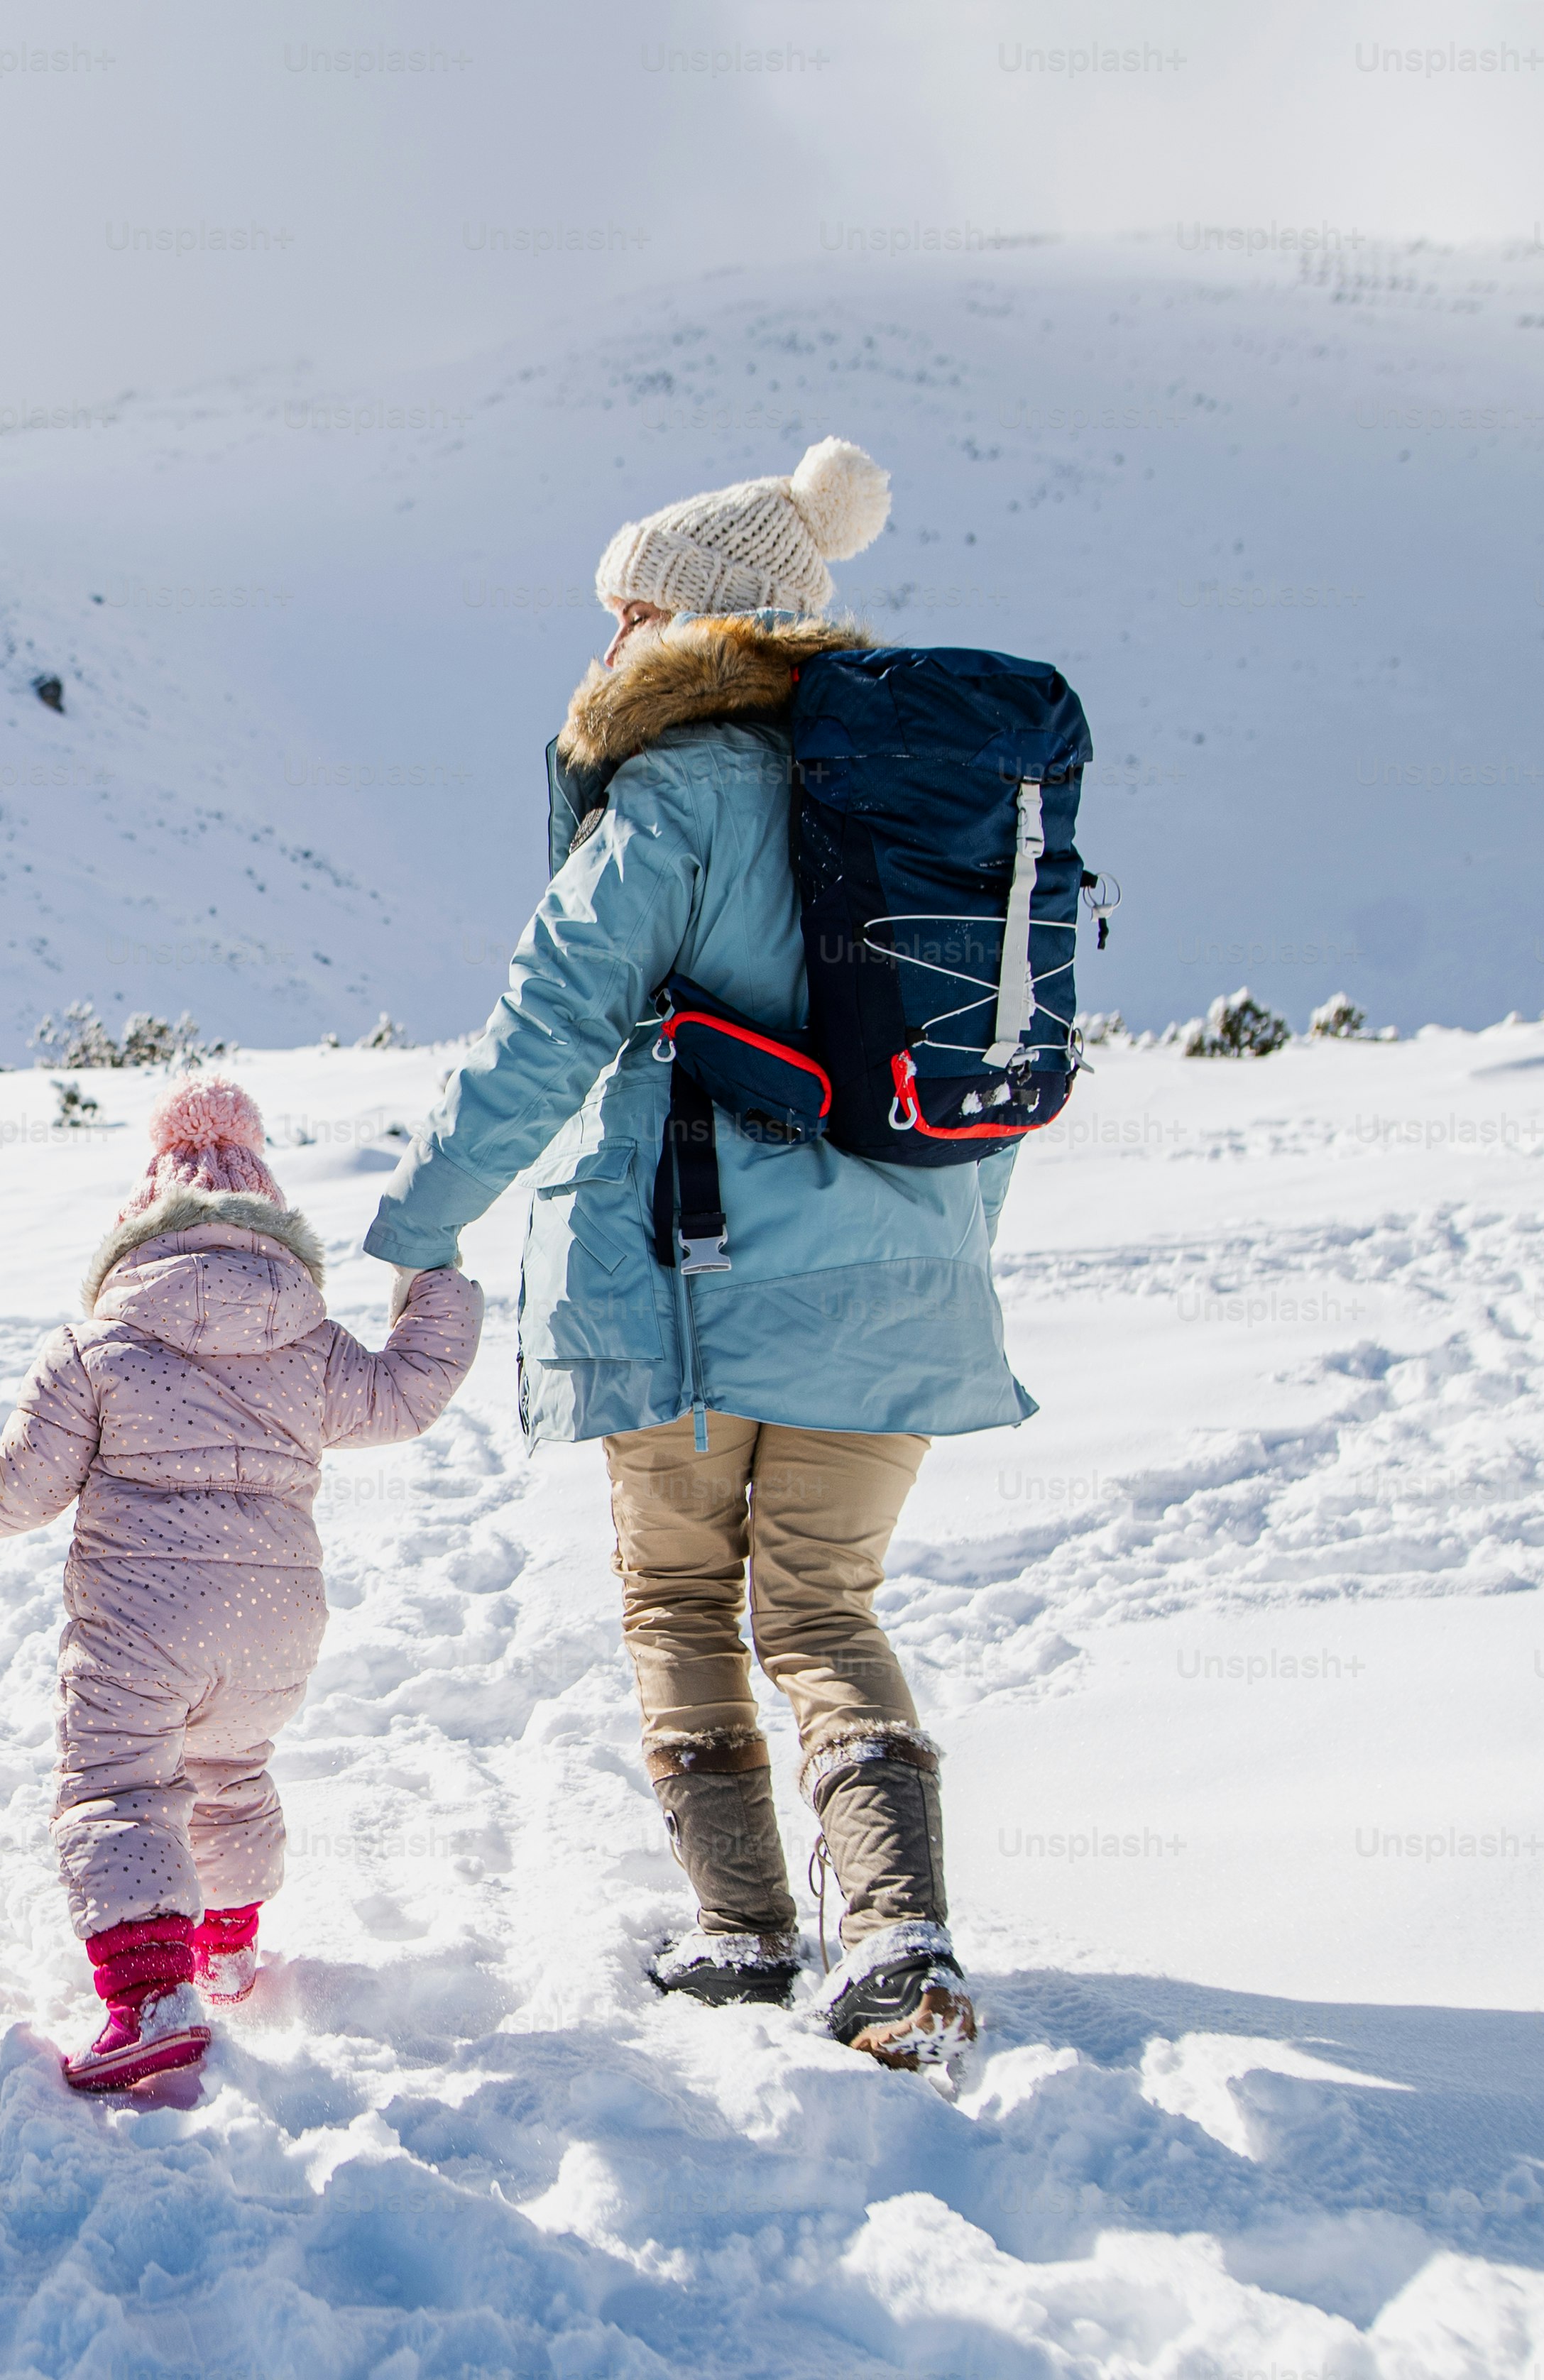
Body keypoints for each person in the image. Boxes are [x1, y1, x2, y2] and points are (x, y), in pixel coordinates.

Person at [360, 438, 1022, 2073]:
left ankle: (743, 1933)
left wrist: (420, 1224)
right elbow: (972, 1092)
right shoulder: (927, 814)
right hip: (907, 1290)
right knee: (826, 1609)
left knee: (679, 1594)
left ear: (697, 626)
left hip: (698, 1291)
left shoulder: (672, 797)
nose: (603, 650)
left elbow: (543, 1029)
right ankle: (898, 1938)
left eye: (627, 614)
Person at [0, 1080, 481, 2091]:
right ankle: (224, 1946)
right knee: (227, 1770)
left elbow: (16, 1488)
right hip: (275, 1625)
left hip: (143, 1623)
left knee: (120, 1787)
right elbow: (406, 1393)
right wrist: (435, 1279)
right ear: (269, 1224)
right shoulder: (309, 1339)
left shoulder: (94, 1347)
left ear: (136, 1228)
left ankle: (150, 1996)